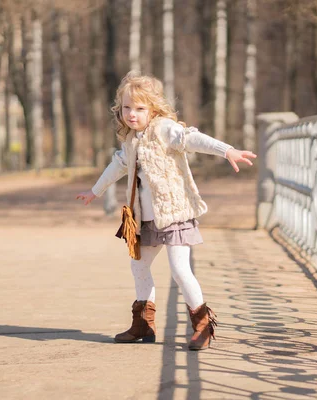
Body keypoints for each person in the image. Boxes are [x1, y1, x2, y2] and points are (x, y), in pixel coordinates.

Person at [76, 71, 256, 351]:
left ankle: (203, 325)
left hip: (174, 215)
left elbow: (191, 139)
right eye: (126, 108)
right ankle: (143, 325)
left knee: (180, 270)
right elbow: (119, 165)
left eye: (139, 108)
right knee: (139, 265)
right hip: (145, 219)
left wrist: (227, 150)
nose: (131, 114)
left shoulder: (164, 129)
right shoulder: (132, 139)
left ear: (153, 108)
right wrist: (95, 191)